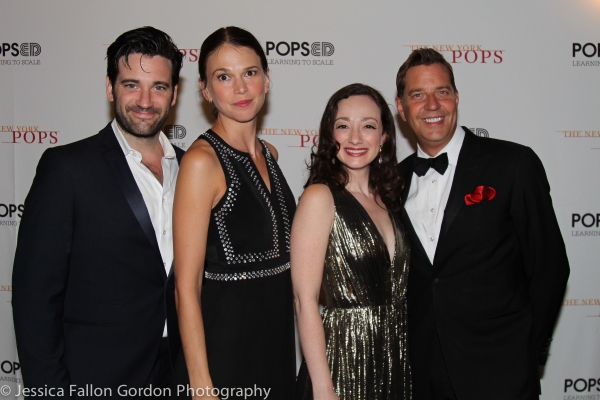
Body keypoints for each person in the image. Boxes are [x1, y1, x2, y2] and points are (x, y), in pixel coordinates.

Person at [12, 26, 184, 396]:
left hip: (178, 376)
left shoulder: (192, 171)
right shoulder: (68, 168)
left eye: (158, 86)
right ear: (110, 88)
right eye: (130, 84)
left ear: (174, 94)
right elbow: (34, 299)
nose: (145, 100)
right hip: (95, 378)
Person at [395, 48, 570, 400]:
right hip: (421, 373)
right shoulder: (391, 182)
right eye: (418, 95)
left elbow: (550, 266)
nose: (432, 105)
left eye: (441, 91)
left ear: (456, 98)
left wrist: (526, 350)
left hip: (501, 370)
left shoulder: (513, 164)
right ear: (400, 108)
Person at [170, 27, 296, 400]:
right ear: (206, 90)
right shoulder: (201, 163)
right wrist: (201, 385)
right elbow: (186, 286)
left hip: (274, 345)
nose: (241, 88)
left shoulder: (270, 155)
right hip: (223, 354)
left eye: (250, 73)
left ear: (267, 79)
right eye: (224, 77)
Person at [293, 83, 411, 400]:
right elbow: (304, 301)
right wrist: (323, 388)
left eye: (368, 126)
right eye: (343, 126)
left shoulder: (391, 200)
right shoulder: (320, 197)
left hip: (394, 360)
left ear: (384, 137)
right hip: (341, 362)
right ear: (331, 136)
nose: (356, 138)